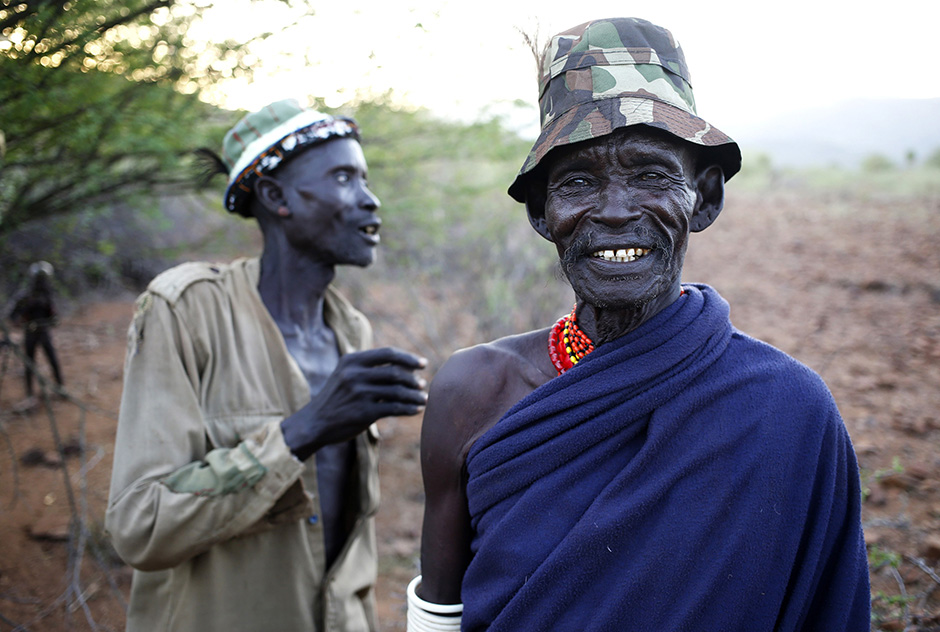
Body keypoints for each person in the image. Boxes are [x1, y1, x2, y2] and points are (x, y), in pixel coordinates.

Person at [410, 18, 870, 632]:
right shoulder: (473, 391)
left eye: (653, 175)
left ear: (703, 198)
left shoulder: (786, 410)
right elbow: (439, 616)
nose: (617, 210)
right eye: (577, 181)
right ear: (543, 214)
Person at [106, 99, 428, 631]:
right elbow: (141, 525)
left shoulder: (351, 332)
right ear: (277, 196)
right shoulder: (185, 310)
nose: (370, 201)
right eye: (344, 178)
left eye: (365, 178)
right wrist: (304, 430)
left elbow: (353, 547)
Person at [9, 261, 64, 402]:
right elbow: (13, 316)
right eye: (40, 279)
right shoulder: (25, 297)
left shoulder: (47, 296)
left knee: (53, 360)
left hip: (44, 334)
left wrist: (53, 320)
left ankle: (61, 388)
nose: (42, 282)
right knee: (30, 363)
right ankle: (29, 393)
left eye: (43, 279)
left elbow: (53, 316)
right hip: (30, 334)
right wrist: (20, 321)